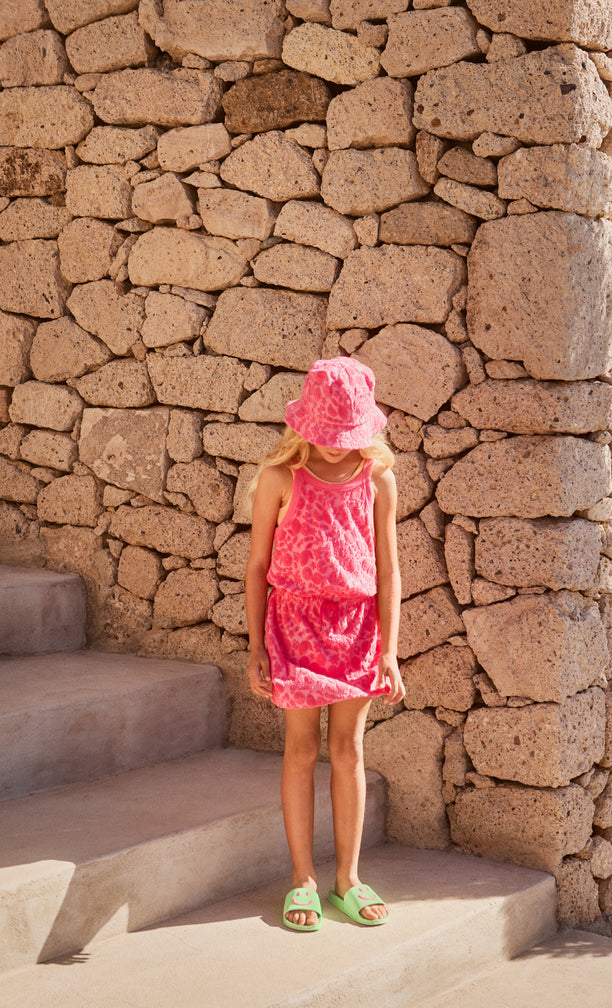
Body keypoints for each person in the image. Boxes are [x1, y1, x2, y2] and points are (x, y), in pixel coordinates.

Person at [245, 356, 405, 932]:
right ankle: (303, 878)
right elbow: (258, 564)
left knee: (349, 750)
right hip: (293, 628)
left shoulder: (378, 479)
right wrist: (256, 644)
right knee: (299, 751)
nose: (338, 448)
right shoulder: (279, 478)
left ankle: (348, 879)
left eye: (348, 437)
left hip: (358, 629)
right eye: (329, 436)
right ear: (304, 423)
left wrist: (389, 648)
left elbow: (389, 570)